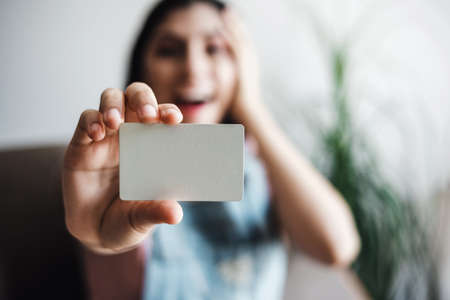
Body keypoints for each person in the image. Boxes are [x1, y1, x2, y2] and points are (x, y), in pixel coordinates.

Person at [62, 0, 361, 299]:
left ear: (241, 66)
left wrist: (251, 106)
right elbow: (110, 252)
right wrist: (98, 239)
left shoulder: (262, 163)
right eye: (169, 50)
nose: (193, 69)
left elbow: (337, 247)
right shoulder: (108, 173)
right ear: (142, 68)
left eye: (215, 48)